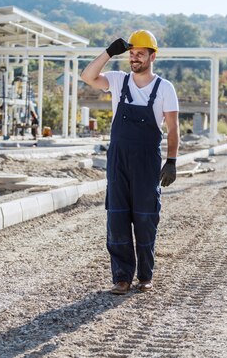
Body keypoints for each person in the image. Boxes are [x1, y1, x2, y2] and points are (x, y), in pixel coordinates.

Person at [80, 30, 180, 295]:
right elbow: (87, 76)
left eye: (141, 54)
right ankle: (122, 277)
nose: (135, 58)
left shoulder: (164, 88)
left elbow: (172, 128)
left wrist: (171, 160)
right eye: (132, 53)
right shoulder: (117, 81)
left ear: (152, 56)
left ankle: (145, 275)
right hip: (119, 160)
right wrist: (109, 52)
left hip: (147, 161)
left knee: (146, 218)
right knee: (117, 219)